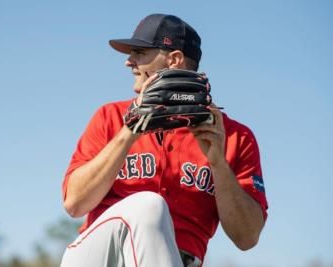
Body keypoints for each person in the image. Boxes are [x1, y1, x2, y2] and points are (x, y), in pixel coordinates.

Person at [60, 13, 268, 267]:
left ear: (174, 59)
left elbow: (247, 238)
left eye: (140, 51)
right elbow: (75, 204)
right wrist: (130, 130)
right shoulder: (111, 116)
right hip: (102, 254)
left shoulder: (234, 136)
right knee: (150, 206)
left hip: (177, 261)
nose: (129, 62)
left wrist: (218, 163)